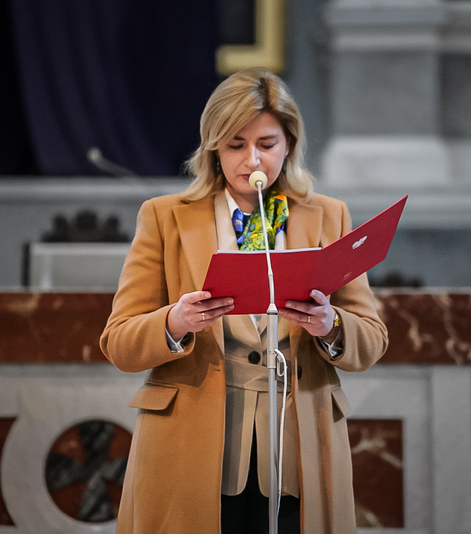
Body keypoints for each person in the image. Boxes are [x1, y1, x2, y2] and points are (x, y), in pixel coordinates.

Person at [100, 67, 388, 534]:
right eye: (236, 144)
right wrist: (174, 322)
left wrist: (330, 324)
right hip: (192, 446)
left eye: (267, 144)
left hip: (298, 447)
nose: (252, 160)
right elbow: (118, 342)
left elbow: (372, 339)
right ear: (213, 146)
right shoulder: (165, 217)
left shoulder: (328, 215)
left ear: (289, 144)